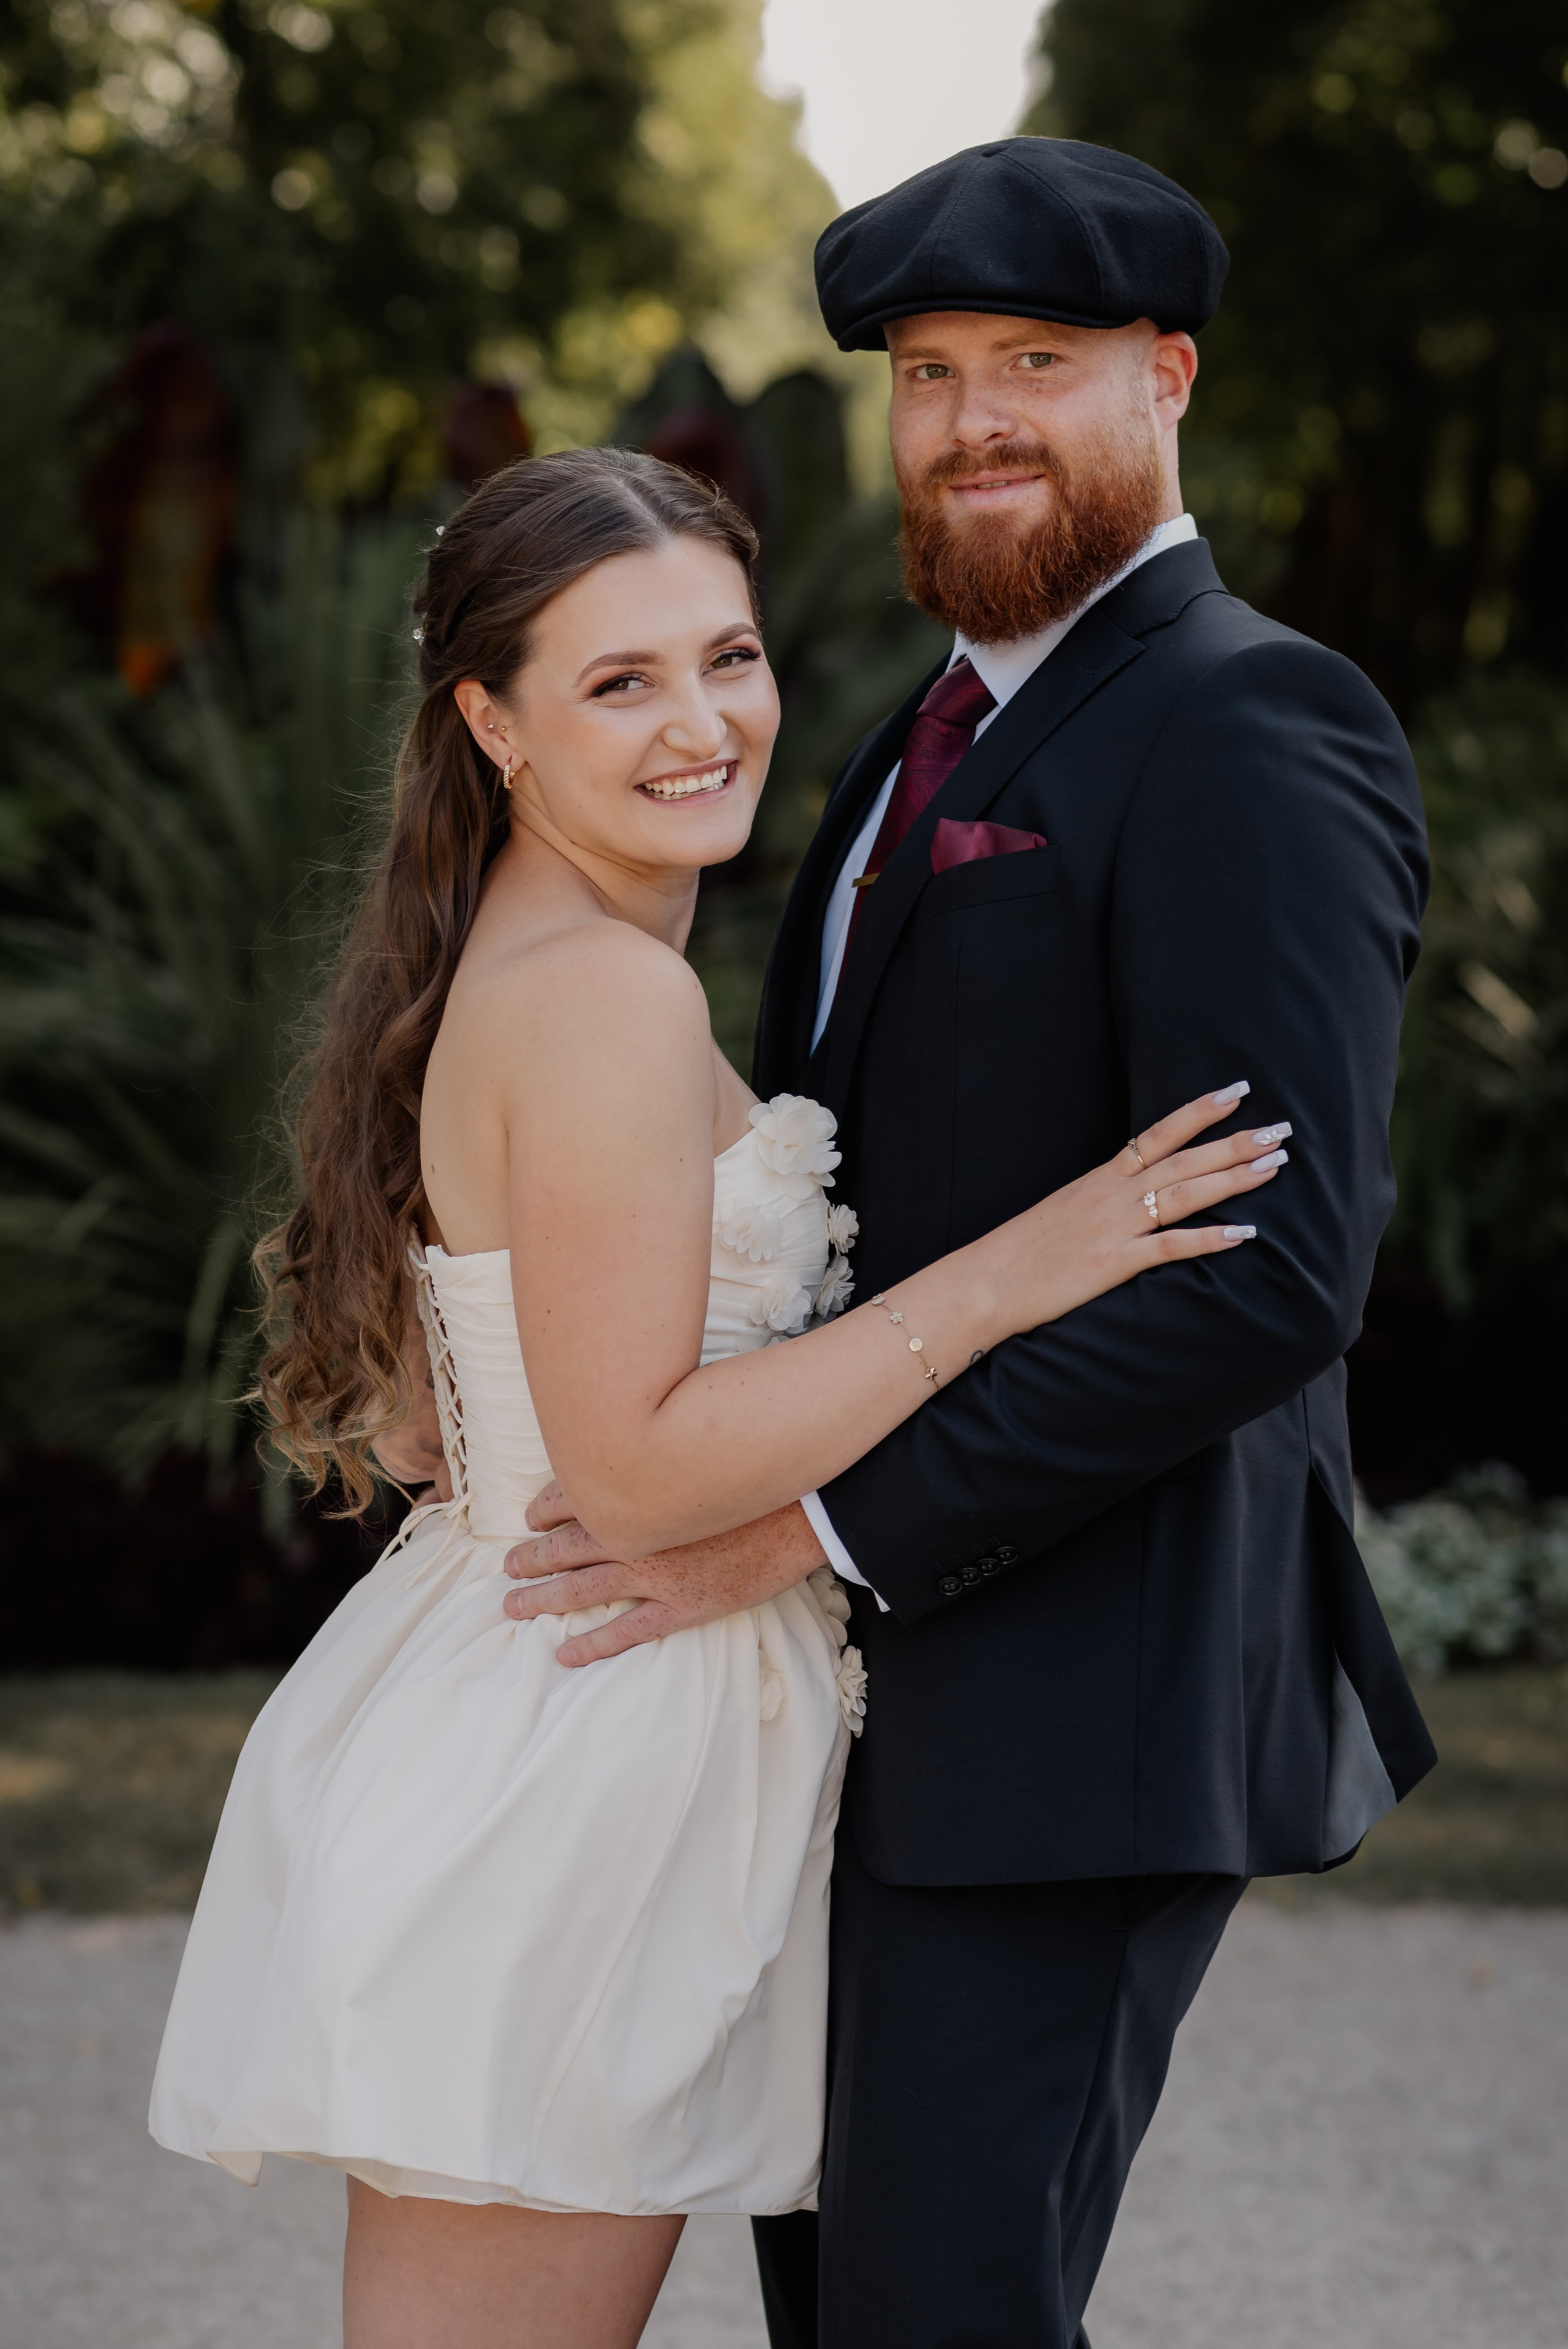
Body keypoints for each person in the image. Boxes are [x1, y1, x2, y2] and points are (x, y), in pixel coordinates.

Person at [148, 443, 1280, 2348]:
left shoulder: (534, 958)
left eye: (728, 656)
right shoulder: (601, 995)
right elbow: (637, 1463)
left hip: (582, 1722)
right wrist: (1022, 1266)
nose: (704, 724)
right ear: (491, 724)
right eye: (620, 681)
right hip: (573, 1755)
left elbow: (456, 1417)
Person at [502, 141, 1438, 2347]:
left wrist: (808, 1527)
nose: (976, 417)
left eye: (1041, 361)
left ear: (1168, 379)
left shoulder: (1251, 719)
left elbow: (1271, 1271)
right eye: (933, 372)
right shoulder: (886, 752)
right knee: (850, 2308)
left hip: (1083, 1699)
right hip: (879, 1708)